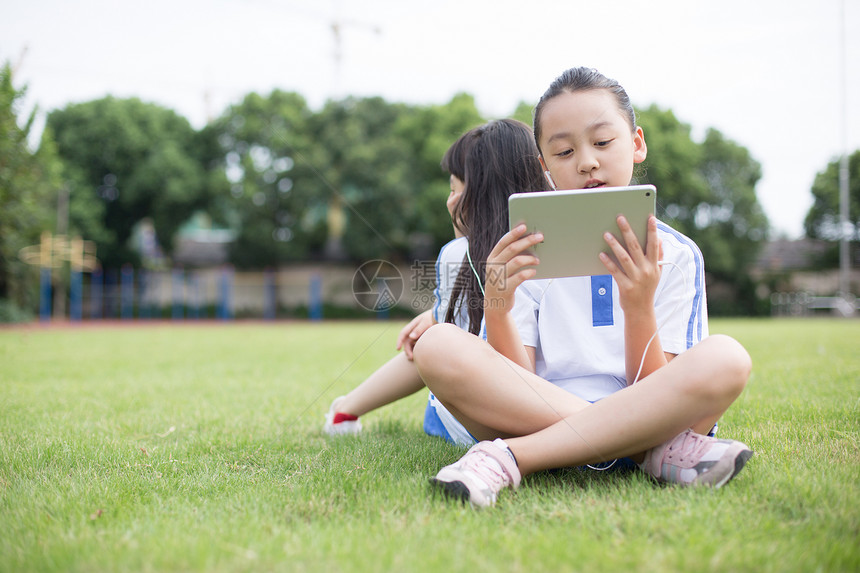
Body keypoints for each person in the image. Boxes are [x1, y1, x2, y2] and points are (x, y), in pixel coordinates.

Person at [413, 67, 754, 507]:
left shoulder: (677, 254)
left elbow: (654, 387)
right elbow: (519, 381)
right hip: (540, 415)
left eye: (602, 142)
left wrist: (638, 305)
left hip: (560, 429)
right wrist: (497, 306)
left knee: (727, 358)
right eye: (565, 151)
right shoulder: (525, 248)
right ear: (544, 166)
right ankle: (649, 452)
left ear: (636, 143)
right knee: (437, 345)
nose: (587, 161)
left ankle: (510, 458)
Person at [324, 119, 546, 443]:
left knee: (433, 339)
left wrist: (438, 316)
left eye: (456, 190)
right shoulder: (551, 253)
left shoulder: (460, 254)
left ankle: (345, 409)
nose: (449, 201)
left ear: (481, 198)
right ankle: (345, 409)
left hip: (476, 418)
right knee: (434, 337)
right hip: (521, 408)